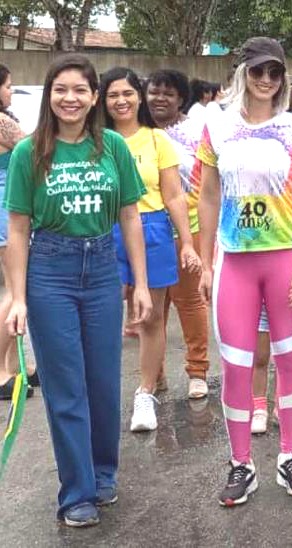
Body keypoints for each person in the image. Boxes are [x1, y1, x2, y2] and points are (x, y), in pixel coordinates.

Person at [4, 54, 152, 527]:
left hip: (103, 268)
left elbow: (130, 215)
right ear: (49, 96)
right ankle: (76, 492)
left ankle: (103, 473)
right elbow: (18, 228)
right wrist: (18, 297)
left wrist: (141, 283)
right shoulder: (29, 152)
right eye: (60, 89)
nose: (70, 98)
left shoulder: (112, 146)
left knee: (104, 382)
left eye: (80, 90)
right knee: (66, 387)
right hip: (50, 273)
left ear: (94, 97)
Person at [197, 37, 292, 505]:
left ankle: (290, 455)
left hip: (284, 258)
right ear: (242, 73)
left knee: (290, 359)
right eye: (258, 71)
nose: (266, 80)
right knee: (236, 365)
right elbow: (208, 196)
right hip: (235, 261)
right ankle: (240, 464)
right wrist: (206, 261)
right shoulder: (217, 127)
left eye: (275, 72)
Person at [100, 67, 202, 431]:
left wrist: (187, 242)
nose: (121, 101)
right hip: (105, 230)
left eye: (128, 93)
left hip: (153, 228)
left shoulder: (157, 140)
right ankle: (101, 391)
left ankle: (145, 393)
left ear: (138, 97)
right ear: (102, 100)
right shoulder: (94, 140)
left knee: (151, 316)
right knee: (104, 314)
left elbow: (174, 195)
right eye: (113, 95)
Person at [145, 69, 212, 400]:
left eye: (168, 93)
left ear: (181, 98)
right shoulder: (135, 130)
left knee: (190, 301)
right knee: (150, 307)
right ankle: (153, 375)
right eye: (154, 91)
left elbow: (210, 181)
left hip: (189, 227)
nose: (159, 98)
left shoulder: (198, 131)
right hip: (145, 230)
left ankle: (197, 371)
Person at [0, 63, 35, 400]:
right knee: (14, 290)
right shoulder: (2, 122)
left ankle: (16, 366)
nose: (10, 91)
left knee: (14, 287)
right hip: (5, 206)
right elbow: (32, 150)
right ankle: (0, 371)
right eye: (8, 85)